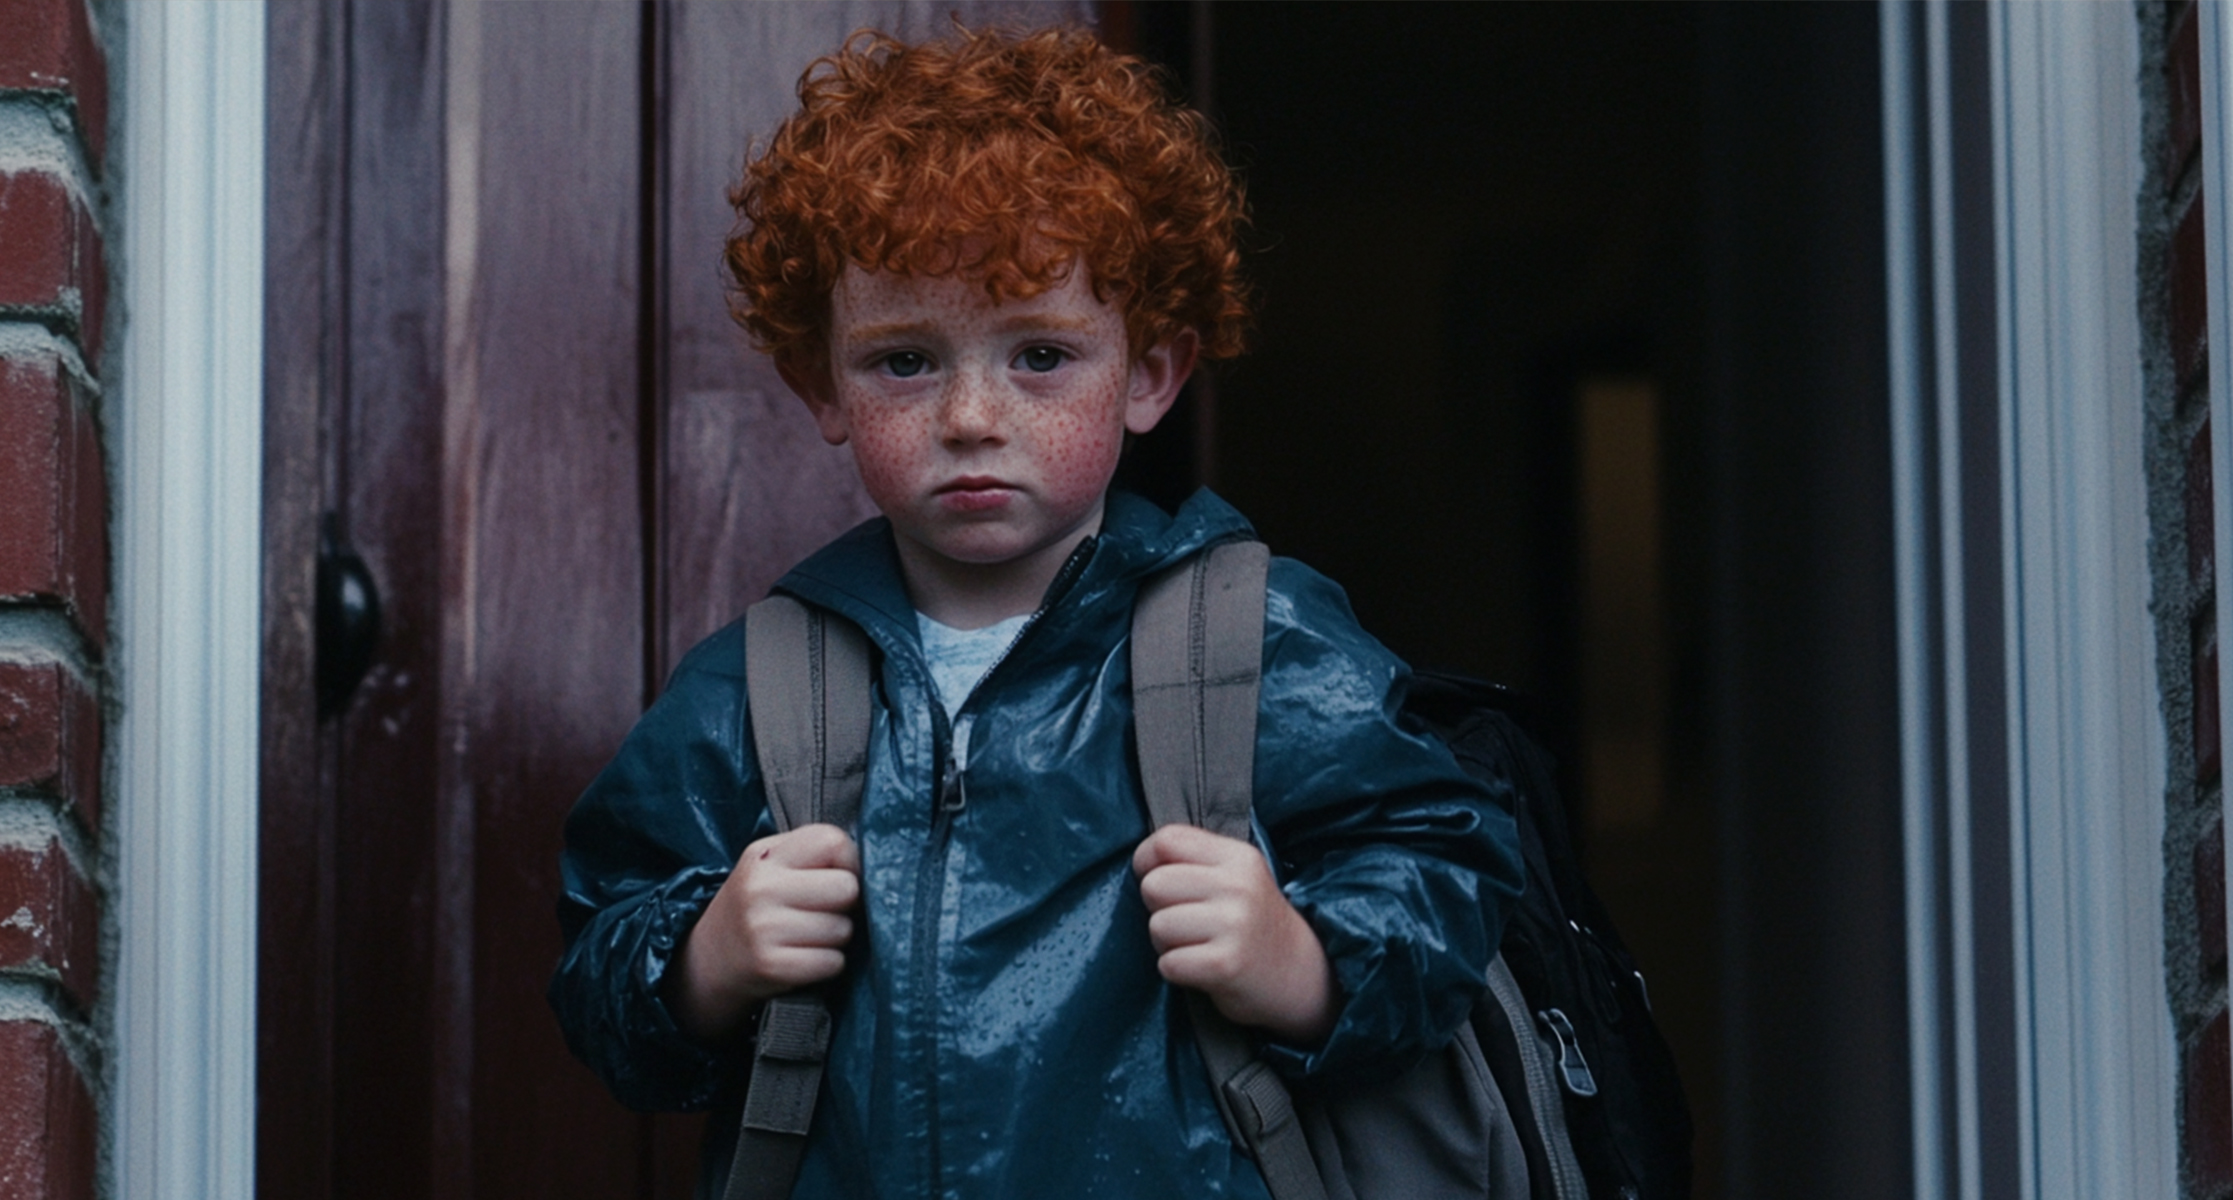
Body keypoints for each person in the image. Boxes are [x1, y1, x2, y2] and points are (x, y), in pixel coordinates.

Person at [549, 25, 1524, 1199]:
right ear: (821, 386)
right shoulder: (759, 684)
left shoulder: (1252, 642)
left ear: (1152, 374)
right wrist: (701, 962)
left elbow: (1446, 864)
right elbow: (601, 954)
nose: (970, 414)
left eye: (1042, 356)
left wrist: (1305, 962)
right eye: (904, 361)